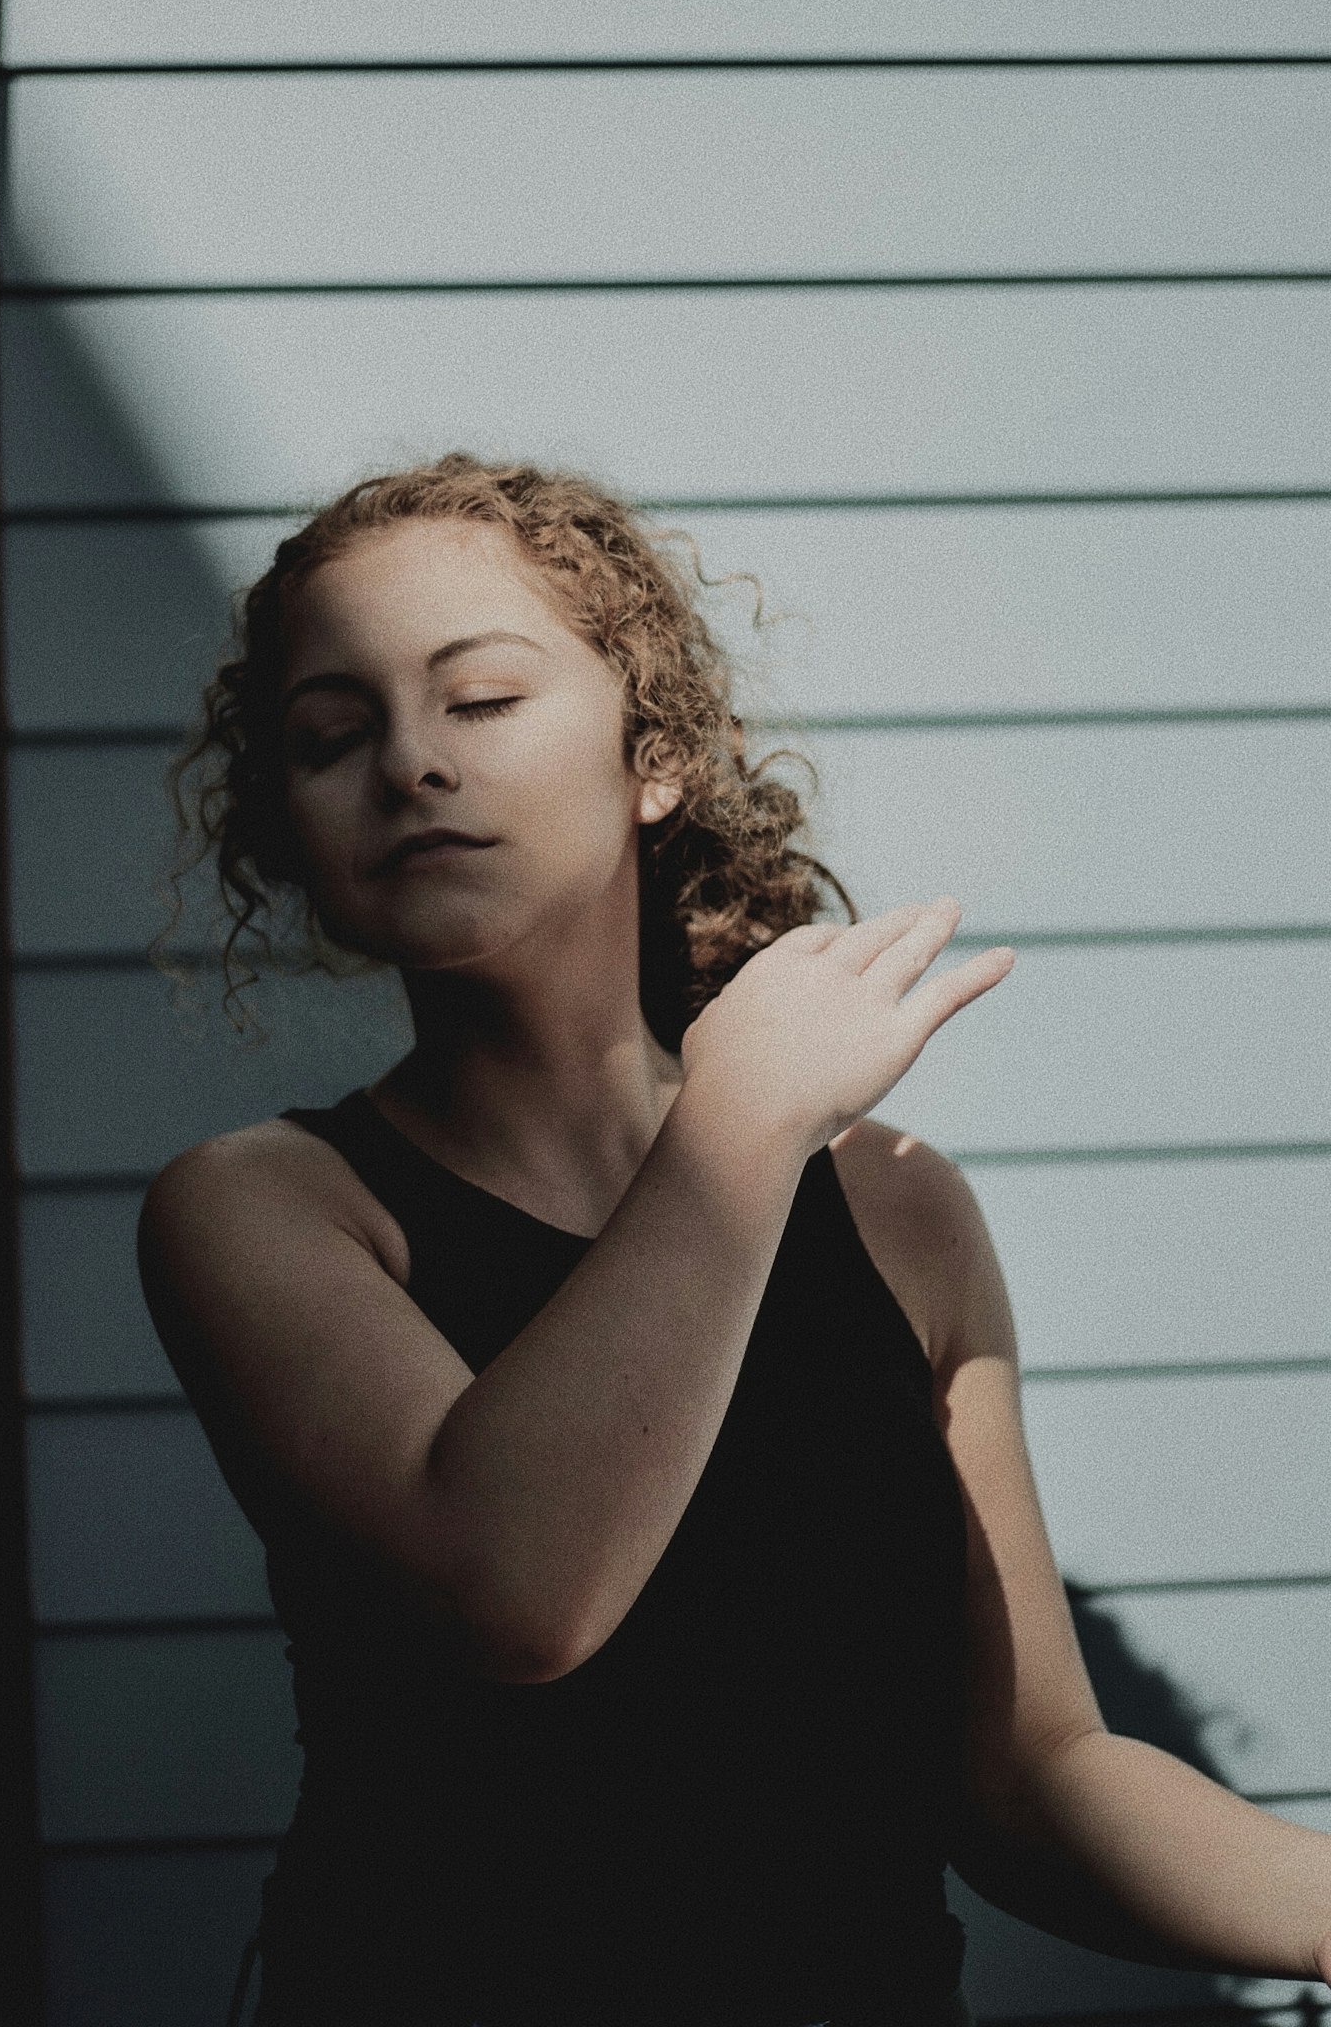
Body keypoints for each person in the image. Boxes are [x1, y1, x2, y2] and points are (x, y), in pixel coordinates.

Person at [138, 453, 1330, 2027]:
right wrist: (743, 1126)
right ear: (290, 833)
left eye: (480, 701)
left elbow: (1034, 1776)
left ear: (658, 761)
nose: (410, 763)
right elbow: (515, 1594)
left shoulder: (901, 1213)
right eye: (332, 735)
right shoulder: (266, 1207)